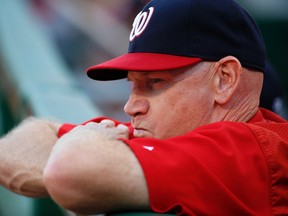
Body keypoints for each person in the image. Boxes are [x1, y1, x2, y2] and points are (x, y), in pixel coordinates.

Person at [0, 0, 288, 215]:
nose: (130, 106)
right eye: (132, 85)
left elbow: (69, 172)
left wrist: (82, 151)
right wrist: (87, 161)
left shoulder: (254, 152)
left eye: (156, 83)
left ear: (224, 80)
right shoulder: (174, 133)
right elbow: (10, 154)